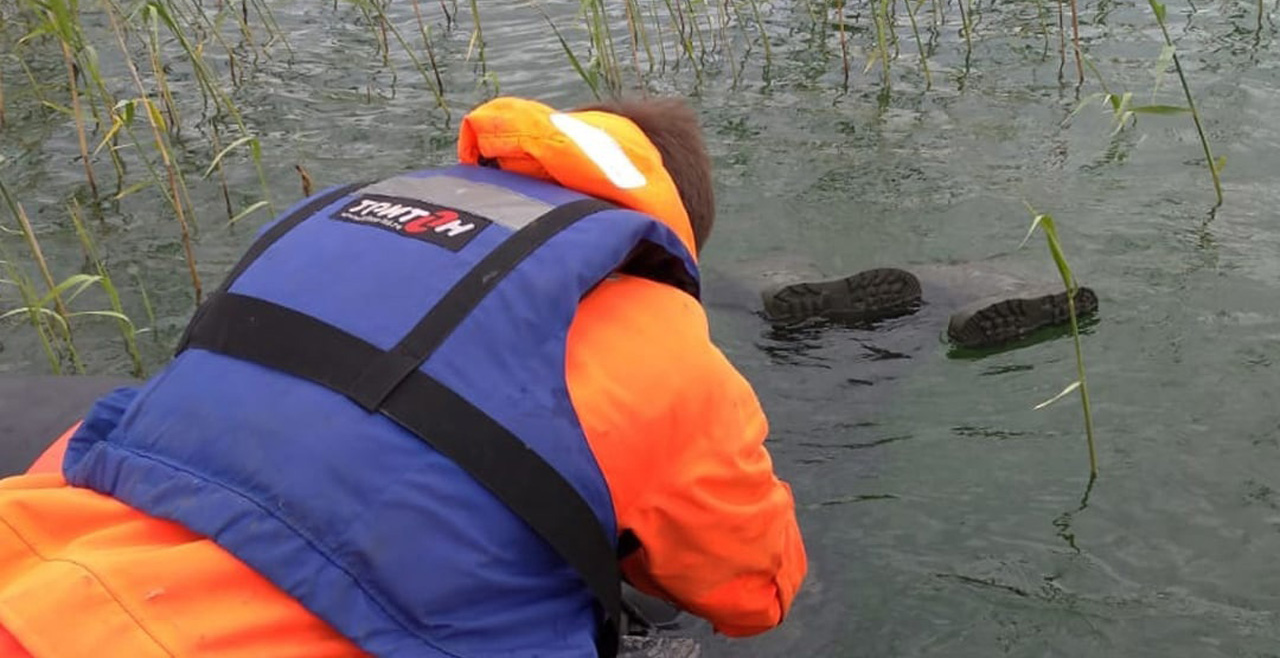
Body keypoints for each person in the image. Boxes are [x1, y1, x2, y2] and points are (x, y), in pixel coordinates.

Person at [0, 96, 808, 658]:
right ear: (662, 224)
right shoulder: (662, 336)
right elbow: (751, 595)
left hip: (38, 570)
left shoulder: (329, 214)